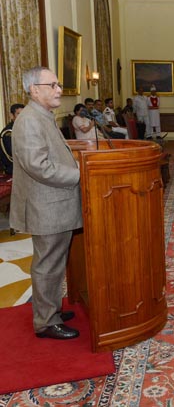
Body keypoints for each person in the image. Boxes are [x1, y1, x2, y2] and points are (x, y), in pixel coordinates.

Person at [10, 66, 82, 340]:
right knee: (47, 264)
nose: (59, 90)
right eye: (52, 85)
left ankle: (50, 310)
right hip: (46, 206)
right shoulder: (29, 121)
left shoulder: (43, 116)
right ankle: (46, 322)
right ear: (34, 90)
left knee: (54, 261)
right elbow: (38, 166)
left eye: (58, 84)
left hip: (55, 203)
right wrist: (79, 176)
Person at [0, 103, 25, 175]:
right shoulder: (8, 132)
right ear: (11, 115)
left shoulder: (23, 128)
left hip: (23, 166)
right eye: (18, 114)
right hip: (13, 168)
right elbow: (13, 153)